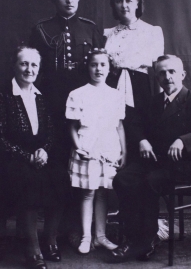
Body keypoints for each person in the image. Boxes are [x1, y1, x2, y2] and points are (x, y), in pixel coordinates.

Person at [110, 55, 191, 262]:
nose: (167, 77)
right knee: (123, 179)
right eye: (162, 73)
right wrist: (142, 140)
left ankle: (144, 240)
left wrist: (184, 140)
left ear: (183, 75)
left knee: (150, 182)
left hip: (185, 164)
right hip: (155, 160)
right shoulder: (154, 102)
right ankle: (135, 236)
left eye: (172, 72)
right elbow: (135, 123)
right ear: (157, 78)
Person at [0, 46, 69, 269]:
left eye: (34, 65)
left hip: (39, 157)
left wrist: (44, 151)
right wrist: (27, 156)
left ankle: (49, 241)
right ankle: (32, 250)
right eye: (24, 64)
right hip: (10, 159)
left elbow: (50, 132)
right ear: (14, 65)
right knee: (28, 181)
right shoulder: (4, 95)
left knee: (60, 176)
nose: (29, 69)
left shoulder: (40, 96)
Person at [29, 0, 103, 160]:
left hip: (85, 100)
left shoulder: (90, 29)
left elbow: (101, 66)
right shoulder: (41, 29)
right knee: (55, 151)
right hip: (52, 99)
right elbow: (33, 68)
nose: (69, 0)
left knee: (85, 149)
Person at [65, 48, 126, 254]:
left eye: (103, 65)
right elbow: (72, 127)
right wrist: (79, 147)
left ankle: (101, 236)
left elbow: (119, 126)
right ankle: (86, 237)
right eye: (93, 64)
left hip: (109, 147)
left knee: (103, 192)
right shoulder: (77, 94)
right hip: (86, 147)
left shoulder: (116, 95)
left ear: (110, 68)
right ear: (87, 67)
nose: (98, 69)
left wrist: (123, 151)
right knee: (88, 192)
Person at [104, 0, 164, 153]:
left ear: (137, 3)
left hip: (139, 87)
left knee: (138, 130)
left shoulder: (152, 31)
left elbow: (157, 69)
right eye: (119, 1)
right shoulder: (107, 33)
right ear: (114, 5)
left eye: (129, 1)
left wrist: (159, 100)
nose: (124, 5)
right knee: (113, 129)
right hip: (111, 84)